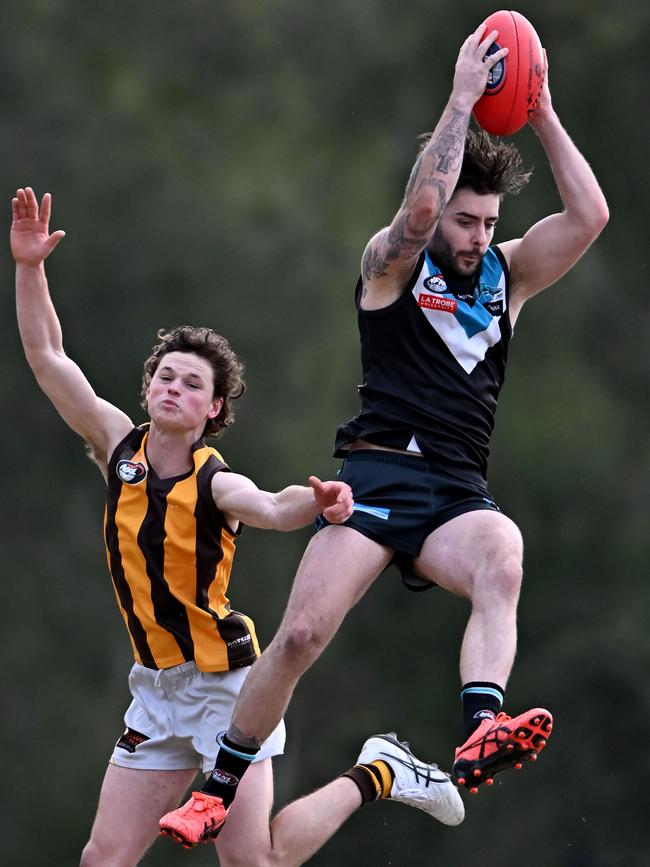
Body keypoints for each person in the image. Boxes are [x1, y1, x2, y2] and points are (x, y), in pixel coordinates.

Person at [162, 19, 609, 843]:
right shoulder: (393, 263)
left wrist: (540, 112)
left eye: (487, 223)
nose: (476, 236)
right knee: (298, 635)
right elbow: (423, 205)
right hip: (375, 478)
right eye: (467, 223)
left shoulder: (507, 277)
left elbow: (590, 214)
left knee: (502, 554)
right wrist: (462, 99)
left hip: (455, 493)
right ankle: (216, 786)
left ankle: (480, 726)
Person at [11, 186, 464, 865]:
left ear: (213, 408)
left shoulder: (215, 480)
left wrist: (320, 501)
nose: (173, 388)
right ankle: (378, 772)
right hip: (156, 688)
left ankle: (380, 773)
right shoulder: (118, 445)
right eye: (165, 376)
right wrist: (28, 266)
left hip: (227, 686)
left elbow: (274, 507)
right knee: (101, 859)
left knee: (255, 861)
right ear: (146, 389)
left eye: (192, 384)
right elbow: (49, 357)